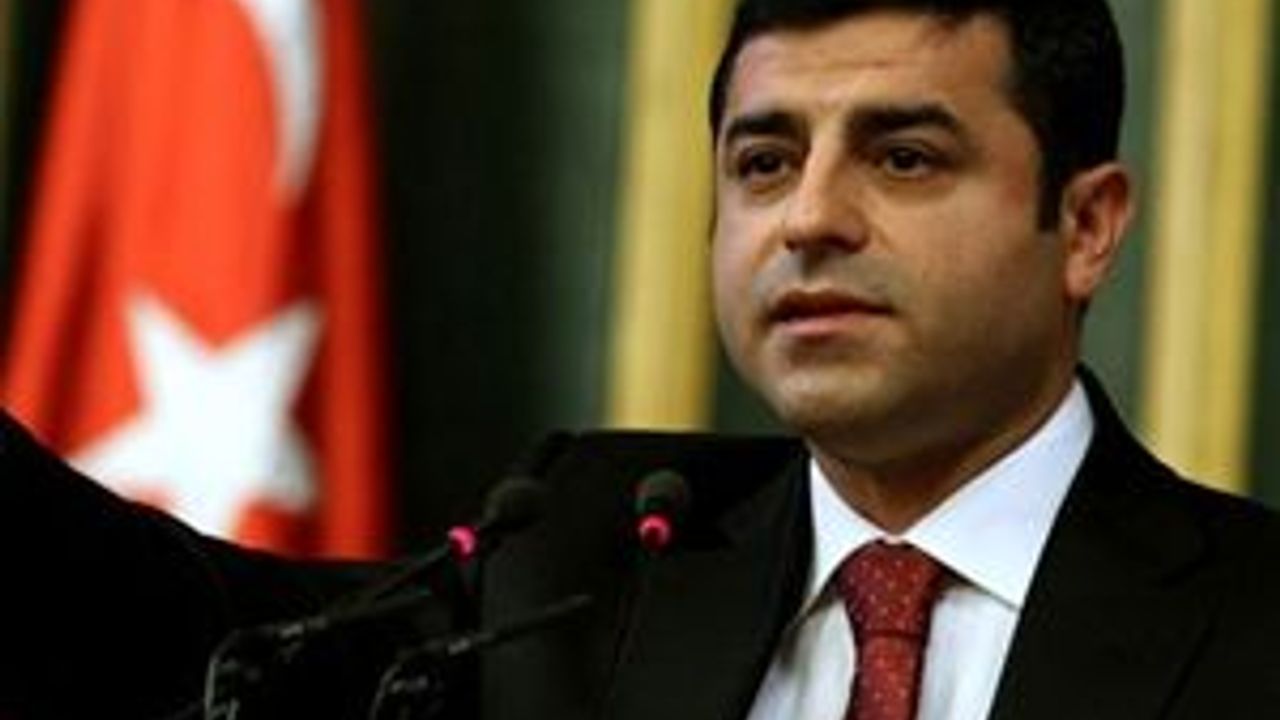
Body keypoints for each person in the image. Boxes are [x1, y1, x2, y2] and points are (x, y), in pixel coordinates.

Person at [3, 0, 1280, 718]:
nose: (809, 218)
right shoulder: (593, 553)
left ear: (1085, 226)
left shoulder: (1252, 624)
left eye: (902, 158)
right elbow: (182, 628)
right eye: (763, 162)